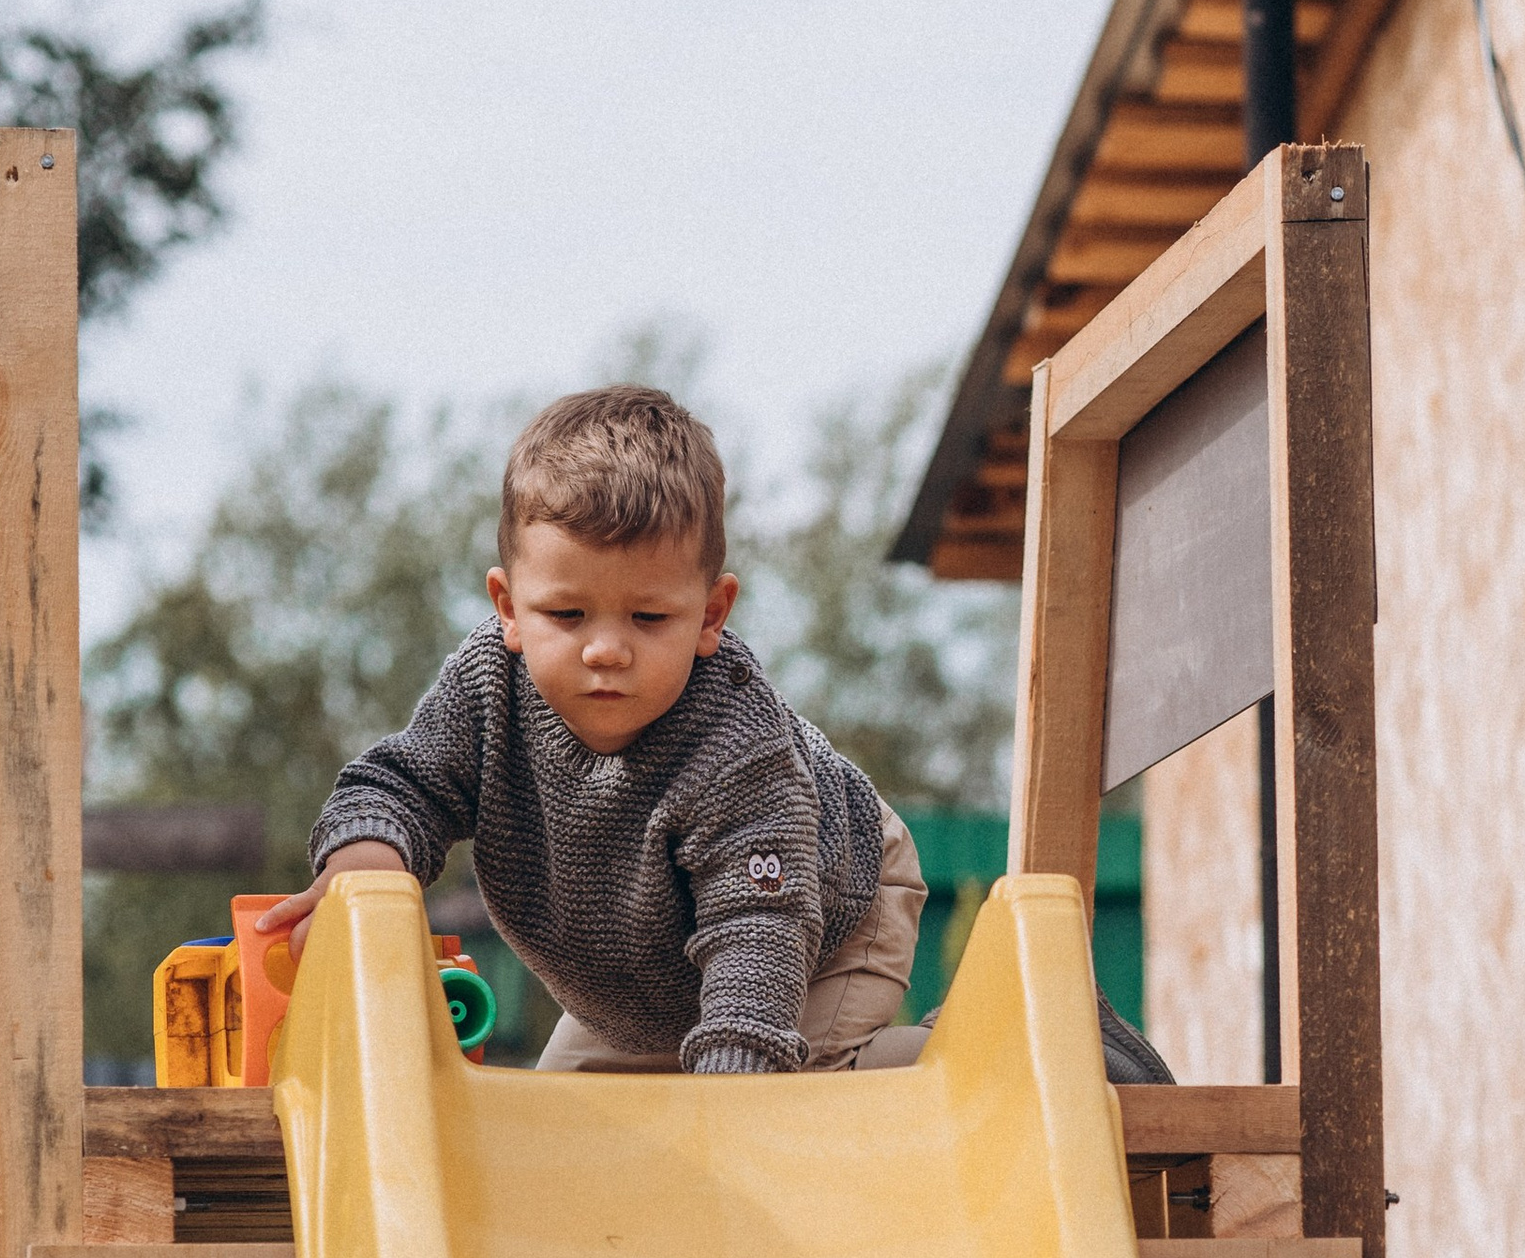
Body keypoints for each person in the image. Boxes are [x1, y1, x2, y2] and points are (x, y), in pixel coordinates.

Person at [258, 382, 1168, 1082]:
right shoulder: (486, 689)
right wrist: (366, 859)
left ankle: (1030, 1041)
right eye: (567, 613)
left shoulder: (734, 743)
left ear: (709, 614)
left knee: (801, 1101)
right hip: (633, 981)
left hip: (822, 914)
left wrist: (732, 1083)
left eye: (648, 619)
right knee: (567, 1137)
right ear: (508, 605)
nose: (605, 650)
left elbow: (758, 927)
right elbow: (403, 783)